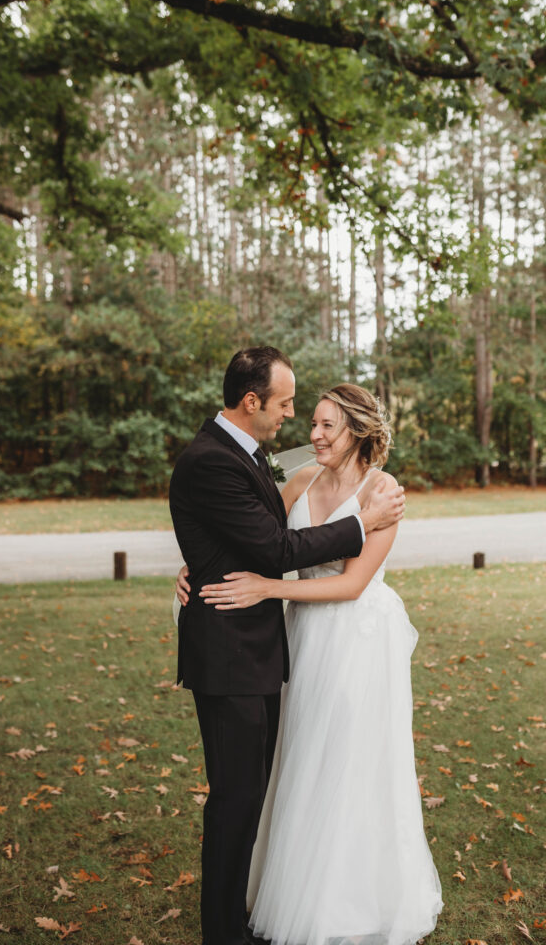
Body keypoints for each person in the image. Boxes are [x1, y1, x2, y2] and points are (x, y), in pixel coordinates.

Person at [188, 383, 442, 945]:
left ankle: (342, 898)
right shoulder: (300, 480)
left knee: (344, 763)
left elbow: (351, 584)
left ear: (357, 429)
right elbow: (257, 542)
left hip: (355, 641)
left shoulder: (385, 493)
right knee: (294, 756)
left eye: (328, 425)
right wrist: (196, 568)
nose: (314, 435)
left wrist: (267, 589)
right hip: (296, 636)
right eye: (313, 424)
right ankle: (282, 883)